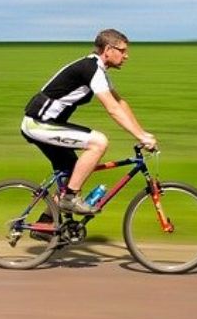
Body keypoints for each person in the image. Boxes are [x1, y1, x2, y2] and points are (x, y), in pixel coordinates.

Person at [21, 28, 157, 216]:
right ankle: (69, 199)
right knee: (99, 142)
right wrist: (139, 136)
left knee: (75, 174)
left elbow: (120, 103)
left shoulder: (98, 70)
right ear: (108, 49)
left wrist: (143, 133)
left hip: (47, 124)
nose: (126, 56)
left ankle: (46, 224)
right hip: (38, 124)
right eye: (123, 50)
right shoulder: (91, 69)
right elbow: (112, 109)